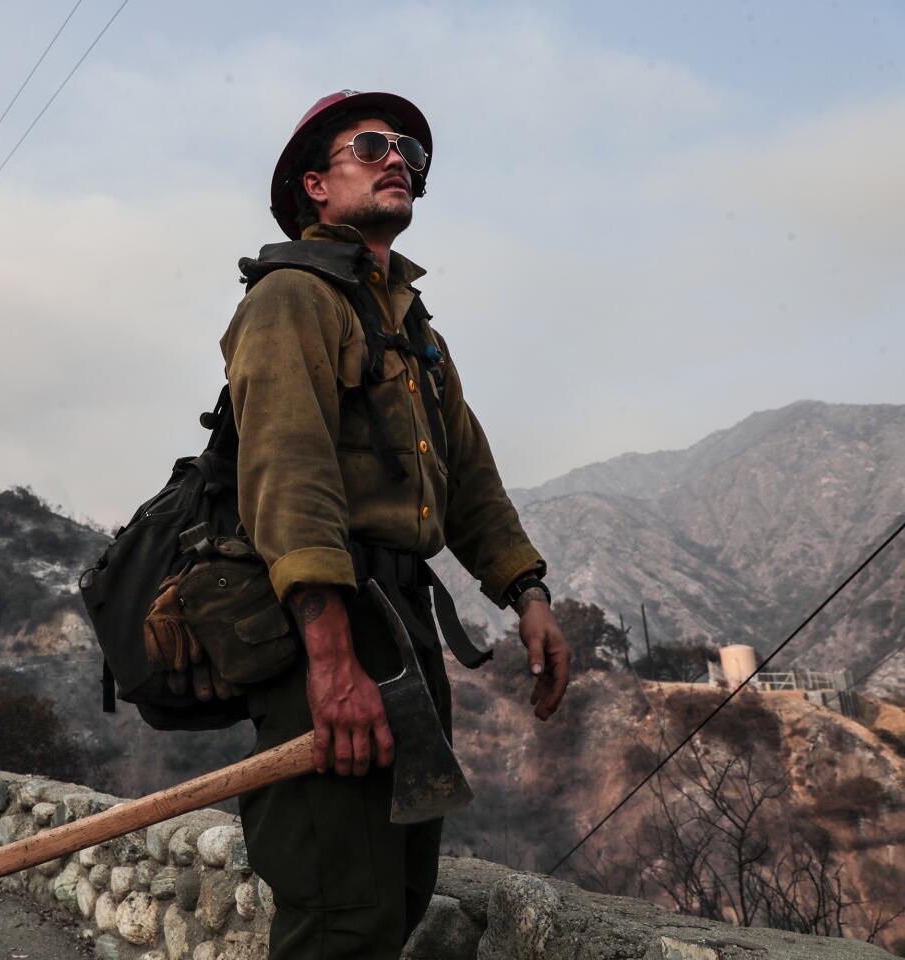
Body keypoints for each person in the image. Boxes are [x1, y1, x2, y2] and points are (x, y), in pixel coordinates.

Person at [222, 90, 572, 959]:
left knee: (402, 893)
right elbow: (287, 473)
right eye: (371, 145)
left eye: (410, 152)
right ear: (315, 183)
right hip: (325, 625)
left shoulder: (413, 331)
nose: (398, 160)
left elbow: (470, 483)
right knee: (342, 910)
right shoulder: (292, 297)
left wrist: (526, 592)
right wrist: (331, 657)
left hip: (403, 624)